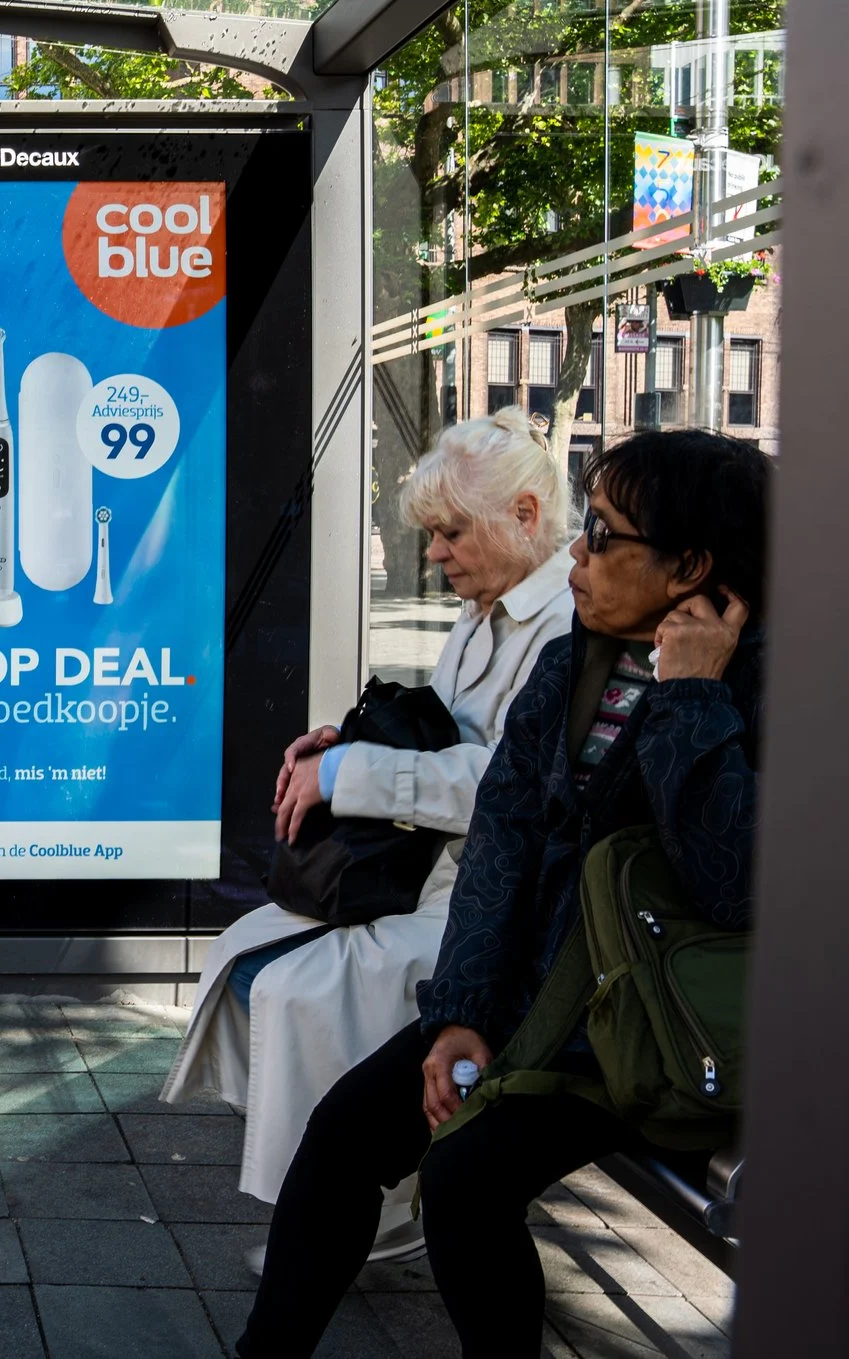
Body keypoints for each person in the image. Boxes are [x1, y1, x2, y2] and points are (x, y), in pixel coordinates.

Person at [237, 428, 770, 1358]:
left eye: (604, 535)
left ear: (692, 565)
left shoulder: (773, 682)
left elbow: (734, 883)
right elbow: (503, 843)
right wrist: (461, 1015)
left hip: (665, 1031)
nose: (578, 553)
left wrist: (692, 697)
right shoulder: (580, 661)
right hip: (546, 1009)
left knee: (465, 1175)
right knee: (345, 1134)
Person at [163, 410, 575, 1266]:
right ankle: (350, 1201)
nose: (435, 555)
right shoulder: (485, 610)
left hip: (493, 904)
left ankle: (330, 1223)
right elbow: (445, 736)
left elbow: (509, 785)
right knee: (250, 958)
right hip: (437, 877)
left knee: (293, 989)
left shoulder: (559, 628)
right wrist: (344, 744)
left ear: (527, 515)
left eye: (451, 533)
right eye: (432, 534)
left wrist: (351, 774)